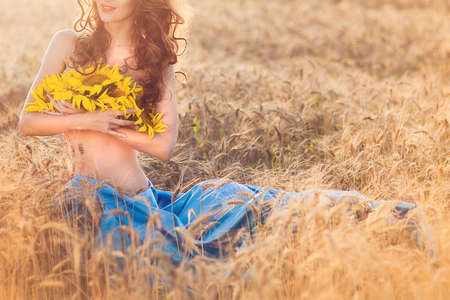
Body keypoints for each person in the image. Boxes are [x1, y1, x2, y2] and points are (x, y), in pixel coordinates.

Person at [17, 0, 427, 264]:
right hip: (90, 199)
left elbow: (164, 146)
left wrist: (110, 123)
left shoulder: (154, 59)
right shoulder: (67, 44)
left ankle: (390, 218)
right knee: (161, 267)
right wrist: (87, 121)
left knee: (255, 210)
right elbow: (27, 123)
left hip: (142, 196)